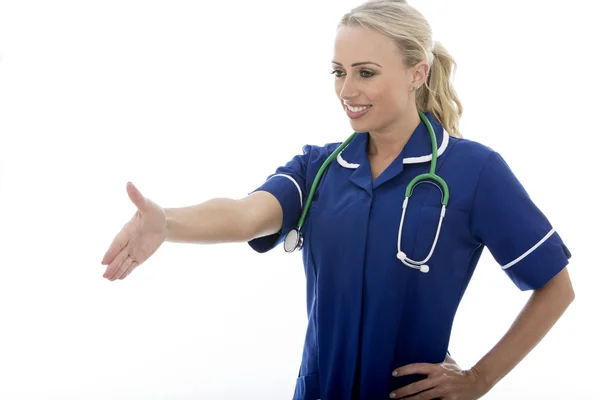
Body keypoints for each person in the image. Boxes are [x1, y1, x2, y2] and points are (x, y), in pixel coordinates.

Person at [100, 1, 575, 399]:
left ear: (417, 73)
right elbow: (245, 215)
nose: (347, 91)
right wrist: (167, 223)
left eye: (366, 73)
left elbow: (555, 286)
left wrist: (478, 380)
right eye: (338, 72)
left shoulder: (474, 172)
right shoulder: (319, 168)